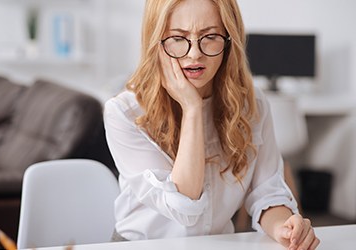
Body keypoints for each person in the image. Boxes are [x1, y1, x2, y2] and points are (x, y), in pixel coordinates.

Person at [104, 0, 320, 249]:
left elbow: (267, 192)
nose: (194, 53)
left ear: (229, 40)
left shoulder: (252, 105)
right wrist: (192, 108)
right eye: (177, 38)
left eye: (210, 36)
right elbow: (184, 206)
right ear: (156, 41)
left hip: (216, 244)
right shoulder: (125, 113)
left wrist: (284, 227)